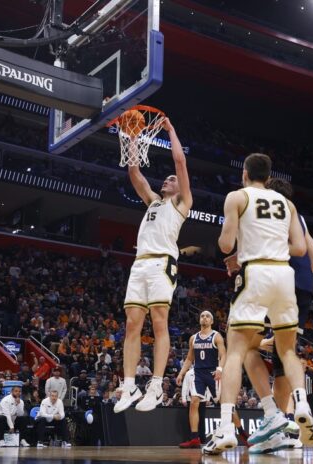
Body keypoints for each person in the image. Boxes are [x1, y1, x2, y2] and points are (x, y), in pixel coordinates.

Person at [203, 153, 313, 455]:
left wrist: (244, 241)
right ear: (268, 176)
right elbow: (300, 248)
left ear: (245, 173)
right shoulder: (288, 204)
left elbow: (225, 245)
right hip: (284, 276)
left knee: (236, 351)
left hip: (256, 273)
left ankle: (225, 427)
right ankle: (301, 404)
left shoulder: (237, 197)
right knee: (288, 350)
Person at [226, 178, 313, 453]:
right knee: (284, 356)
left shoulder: (269, 214)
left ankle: (272, 413)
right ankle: (281, 427)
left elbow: (258, 246)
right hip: (304, 288)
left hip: (274, 279)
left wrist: (244, 258)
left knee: (246, 347)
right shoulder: (299, 219)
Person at [114, 118, 192, 413]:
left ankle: (157, 385)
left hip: (162, 263)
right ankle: (130, 385)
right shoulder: (153, 202)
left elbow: (180, 162)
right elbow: (134, 171)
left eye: (171, 180)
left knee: (159, 322)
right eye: (166, 179)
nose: (167, 181)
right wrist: (133, 137)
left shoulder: (182, 203)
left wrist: (171, 130)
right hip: (140, 264)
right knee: (132, 324)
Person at [176, 311, 227, 448]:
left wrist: (220, 369)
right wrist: (181, 373)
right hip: (198, 373)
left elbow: (223, 355)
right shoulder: (193, 338)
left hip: (212, 373)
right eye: (202, 316)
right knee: (194, 402)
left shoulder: (216, 336)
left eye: (207, 316)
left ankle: (242, 433)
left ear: (212, 321)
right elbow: (189, 358)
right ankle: (194, 438)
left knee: (225, 404)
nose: (204, 318)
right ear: (199, 320)